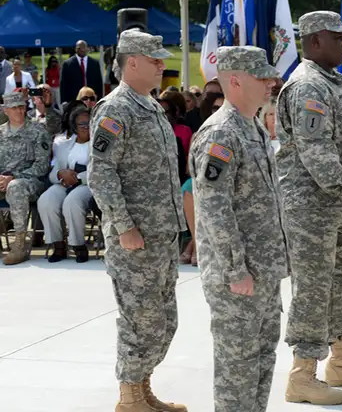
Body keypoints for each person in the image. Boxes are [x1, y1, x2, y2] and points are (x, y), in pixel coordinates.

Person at [276, 10, 342, 406]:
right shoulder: (307, 86)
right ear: (315, 40)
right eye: (337, 37)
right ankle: (302, 375)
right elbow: (315, 150)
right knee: (314, 289)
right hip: (314, 207)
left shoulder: (335, 82)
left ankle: (340, 361)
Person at [87, 28, 187, 412]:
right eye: (154, 59)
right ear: (132, 62)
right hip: (135, 237)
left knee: (164, 320)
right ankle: (129, 397)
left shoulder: (150, 105)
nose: (162, 65)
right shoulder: (116, 109)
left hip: (161, 234)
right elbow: (101, 173)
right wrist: (124, 225)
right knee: (140, 319)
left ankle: (143, 389)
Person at [190, 46, 287, 412]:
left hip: (263, 270)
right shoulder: (221, 134)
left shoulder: (254, 127)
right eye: (262, 77)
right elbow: (214, 208)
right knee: (238, 367)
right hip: (239, 275)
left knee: (262, 358)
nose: (271, 83)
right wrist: (235, 269)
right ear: (235, 81)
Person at [0, 91, 51, 265]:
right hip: (3, 181)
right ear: (5, 110)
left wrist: (13, 177)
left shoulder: (38, 131)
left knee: (15, 186)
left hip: (30, 182)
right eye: (14, 108)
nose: (19, 111)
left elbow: (42, 166)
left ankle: (19, 245)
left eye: (21, 107)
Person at [39, 101, 92, 263]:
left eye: (89, 123)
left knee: (72, 201)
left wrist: (77, 177)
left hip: (88, 184)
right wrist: (61, 173)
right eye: (82, 124)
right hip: (64, 183)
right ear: (74, 126)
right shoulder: (63, 145)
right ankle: (58, 245)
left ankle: (78, 245)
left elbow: (100, 171)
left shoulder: (99, 146)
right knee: (46, 200)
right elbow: (53, 173)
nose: (86, 127)